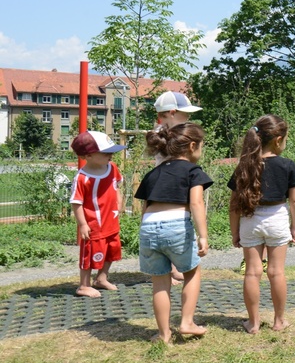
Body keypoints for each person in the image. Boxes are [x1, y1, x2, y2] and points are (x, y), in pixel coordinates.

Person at [227, 115, 295, 334]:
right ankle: (279, 321)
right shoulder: (287, 165)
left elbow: (233, 205)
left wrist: (235, 233)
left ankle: (253, 323)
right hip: (277, 219)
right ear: (278, 140)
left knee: (252, 273)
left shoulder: (245, 165)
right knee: (276, 272)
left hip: (250, 220)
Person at [135, 123, 212, 344]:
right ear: (193, 145)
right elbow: (196, 203)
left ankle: (163, 334)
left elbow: (145, 208)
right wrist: (203, 235)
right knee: (192, 272)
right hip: (176, 225)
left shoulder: (153, 173)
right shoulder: (193, 171)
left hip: (148, 228)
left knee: (160, 282)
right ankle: (187, 322)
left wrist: (146, 235)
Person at [153, 90, 203, 284]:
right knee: (172, 225)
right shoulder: (163, 134)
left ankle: (175, 267)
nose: (188, 117)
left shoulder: (168, 132)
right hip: (167, 186)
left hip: (174, 182)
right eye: (185, 113)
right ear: (172, 112)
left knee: (179, 225)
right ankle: (171, 269)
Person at [69, 131, 126, 298]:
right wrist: (83, 224)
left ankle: (101, 278)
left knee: (112, 250)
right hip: (93, 224)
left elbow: (116, 187)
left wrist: (119, 203)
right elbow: (76, 203)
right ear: (89, 155)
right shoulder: (82, 178)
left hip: (111, 221)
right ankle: (83, 285)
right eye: (106, 152)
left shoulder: (112, 168)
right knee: (90, 253)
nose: (111, 155)